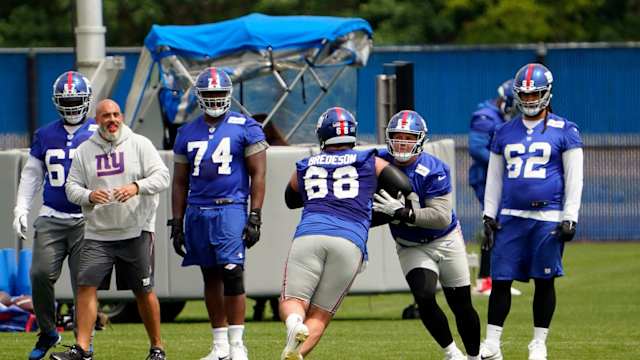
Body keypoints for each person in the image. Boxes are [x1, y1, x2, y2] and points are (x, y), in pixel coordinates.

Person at [279, 107, 413, 360]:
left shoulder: (307, 164)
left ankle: (294, 323)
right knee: (321, 314)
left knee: (292, 299)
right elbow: (403, 184)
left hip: (310, 234)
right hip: (350, 240)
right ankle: (294, 354)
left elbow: (290, 198)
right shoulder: (368, 160)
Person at [479, 63, 583, 360]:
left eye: (534, 93)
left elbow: (575, 177)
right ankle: (492, 342)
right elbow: (494, 177)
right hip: (511, 215)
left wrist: (570, 216)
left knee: (544, 280)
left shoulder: (566, 130)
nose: (528, 100)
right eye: (523, 95)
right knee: (500, 279)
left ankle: (538, 343)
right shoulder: (503, 131)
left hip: (548, 215)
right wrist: (489, 215)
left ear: (547, 93)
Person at [52, 99, 170, 360]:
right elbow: (71, 188)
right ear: (97, 120)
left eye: (116, 114)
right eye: (106, 115)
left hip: (135, 229)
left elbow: (163, 176)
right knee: (86, 286)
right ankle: (82, 349)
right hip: (98, 233)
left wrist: (136, 187)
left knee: (143, 290)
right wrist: (89, 195)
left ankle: (157, 347)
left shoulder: (139, 144)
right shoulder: (84, 150)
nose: (112, 119)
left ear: (122, 116)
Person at [168, 67, 268, 360]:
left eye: (218, 94)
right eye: (209, 94)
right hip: (198, 211)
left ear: (229, 95)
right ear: (199, 97)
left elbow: (258, 174)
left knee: (232, 273)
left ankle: (238, 344)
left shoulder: (246, 126)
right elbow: (180, 182)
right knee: (210, 276)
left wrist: (255, 215)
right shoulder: (186, 132)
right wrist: (177, 221)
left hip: (230, 207)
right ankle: (220, 344)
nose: (214, 99)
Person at [373, 110, 481, 360]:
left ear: (420, 140)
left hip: (445, 239)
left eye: (408, 138)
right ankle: (452, 354)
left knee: (461, 305)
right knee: (423, 296)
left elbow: (441, 217)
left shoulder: (434, 168)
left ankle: (474, 356)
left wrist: (404, 213)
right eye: (397, 137)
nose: (401, 143)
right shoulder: (378, 162)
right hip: (410, 244)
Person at [12, 71, 96, 360]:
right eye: (67, 100)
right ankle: (49, 331)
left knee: (83, 283)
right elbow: (33, 174)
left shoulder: (99, 132)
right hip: (52, 215)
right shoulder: (45, 134)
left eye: (76, 100)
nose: (72, 106)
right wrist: (21, 207)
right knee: (39, 274)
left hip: (87, 218)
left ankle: (85, 343)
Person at [468, 80, 522, 296]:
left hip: (499, 178)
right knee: (495, 223)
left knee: (501, 224)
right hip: (486, 178)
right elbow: (476, 148)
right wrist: (505, 162)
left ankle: (494, 278)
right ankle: (485, 280)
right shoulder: (486, 116)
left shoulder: (499, 117)